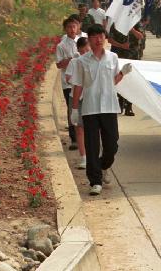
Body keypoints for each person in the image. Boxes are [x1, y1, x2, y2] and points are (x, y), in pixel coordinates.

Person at [70, 24, 132, 196]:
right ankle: (95, 181)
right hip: (90, 108)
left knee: (112, 145)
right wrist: (74, 109)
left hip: (109, 106)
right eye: (95, 37)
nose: (98, 40)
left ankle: (103, 166)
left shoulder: (113, 57)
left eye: (101, 36)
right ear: (89, 39)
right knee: (92, 146)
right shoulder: (81, 61)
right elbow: (78, 85)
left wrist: (123, 73)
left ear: (105, 38)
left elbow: (113, 81)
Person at [55, 17, 81, 151]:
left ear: (78, 27)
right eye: (69, 27)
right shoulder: (61, 45)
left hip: (82, 81)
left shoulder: (82, 41)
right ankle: (74, 138)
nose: (72, 29)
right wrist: (71, 59)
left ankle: (83, 135)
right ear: (65, 29)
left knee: (83, 108)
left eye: (74, 26)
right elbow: (59, 64)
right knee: (72, 109)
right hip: (68, 83)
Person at [65, 36, 90, 168]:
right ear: (79, 51)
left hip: (90, 97)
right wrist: (78, 79)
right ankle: (84, 157)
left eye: (87, 50)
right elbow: (68, 77)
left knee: (91, 128)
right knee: (79, 128)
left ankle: (92, 155)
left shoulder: (94, 61)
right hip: (75, 97)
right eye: (82, 50)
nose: (85, 53)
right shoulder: (74, 62)